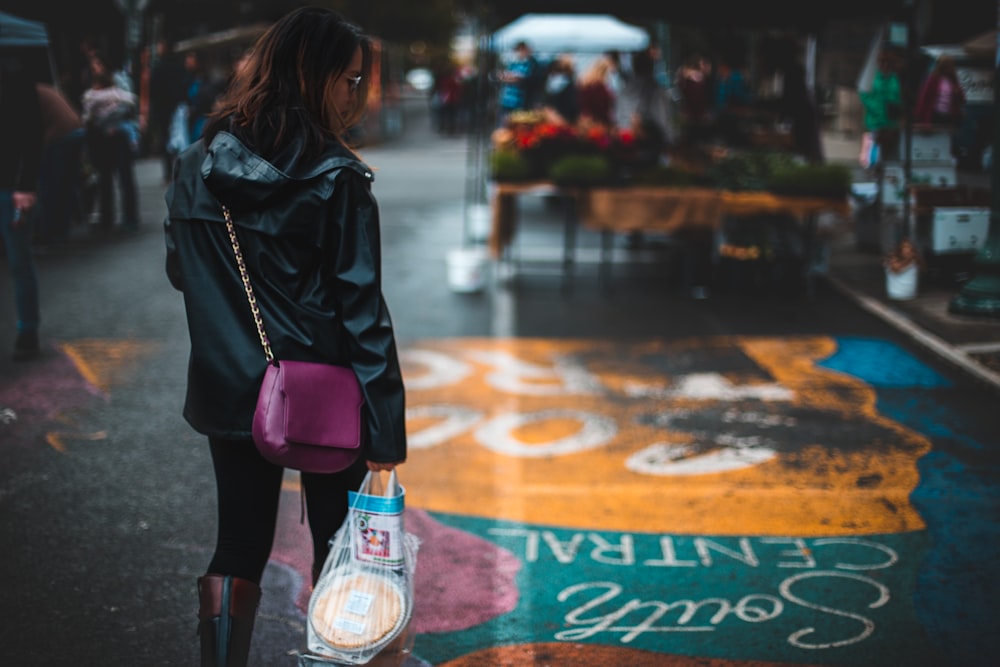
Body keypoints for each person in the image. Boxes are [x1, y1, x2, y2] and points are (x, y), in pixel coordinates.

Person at [164, 8, 407, 665]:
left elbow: (181, 271)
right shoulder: (338, 178)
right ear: (317, 77)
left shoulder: (194, 163)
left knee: (237, 546)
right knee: (342, 548)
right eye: (351, 81)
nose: (355, 95)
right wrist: (386, 430)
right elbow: (362, 313)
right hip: (326, 393)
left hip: (230, 385)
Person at [0, 61, 44, 361]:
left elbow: (32, 134)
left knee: (19, 260)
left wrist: (26, 184)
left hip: (11, 187)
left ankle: (27, 329)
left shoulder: (16, 79)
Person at [81, 51, 141, 232]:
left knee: (124, 177)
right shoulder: (90, 89)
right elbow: (88, 115)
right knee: (105, 177)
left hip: (118, 136)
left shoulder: (117, 82)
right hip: (101, 138)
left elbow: (129, 104)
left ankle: (130, 217)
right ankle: (107, 217)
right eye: (93, 66)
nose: (95, 68)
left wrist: (110, 122)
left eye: (98, 64)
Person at [36, 82, 84, 245]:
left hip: (59, 137)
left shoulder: (29, 95)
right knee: (66, 184)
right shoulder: (45, 88)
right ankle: (62, 229)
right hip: (75, 130)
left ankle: (51, 232)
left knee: (51, 186)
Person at [149, 39, 187, 184]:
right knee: (177, 140)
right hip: (174, 108)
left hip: (165, 109)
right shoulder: (177, 65)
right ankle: (176, 171)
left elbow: (154, 90)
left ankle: (169, 172)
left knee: (169, 140)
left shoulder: (160, 66)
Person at [859, 48, 903, 165]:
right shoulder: (872, 77)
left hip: (891, 124)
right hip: (875, 121)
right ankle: (873, 172)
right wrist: (875, 107)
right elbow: (863, 93)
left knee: (889, 158)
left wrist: (896, 109)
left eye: (887, 62)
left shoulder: (894, 78)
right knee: (874, 157)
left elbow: (898, 97)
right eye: (882, 62)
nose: (885, 65)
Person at [496, 40, 541, 125]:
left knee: (518, 125)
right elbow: (505, 77)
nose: (519, 52)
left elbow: (522, 79)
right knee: (505, 125)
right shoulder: (513, 63)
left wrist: (511, 78)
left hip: (521, 101)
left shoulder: (531, 64)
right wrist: (512, 77)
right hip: (507, 100)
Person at [915, 54, 966, 127]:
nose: (951, 69)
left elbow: (962, 99)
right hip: (934, 115)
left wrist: (957, 93)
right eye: (948, 66)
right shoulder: (933, 79)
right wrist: (920, 118)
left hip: (949, 117)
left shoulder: (953, 80)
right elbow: (924, 97)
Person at [577, 55, 617, 127]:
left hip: (586, 125)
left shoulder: (584, 85)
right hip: (599, 126)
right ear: (604, 72)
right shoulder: (600, 89)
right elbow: (602, 110)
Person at [541, 55, 579, 125]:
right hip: (565, 119)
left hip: (552, 117)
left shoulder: (548, 83)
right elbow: (573, 105)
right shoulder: (569, 84)